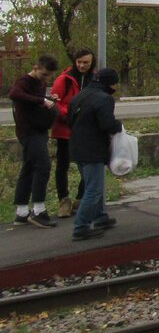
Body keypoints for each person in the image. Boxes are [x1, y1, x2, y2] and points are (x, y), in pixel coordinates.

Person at [68, 67, 123, 241]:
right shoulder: (104, 98)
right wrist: (118, 125)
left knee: (92, 184)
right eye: (114, 83)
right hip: (93, 149)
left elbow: (70, 119)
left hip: (77, 146)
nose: (115, 86)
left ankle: (100, 218)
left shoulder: (80, 95)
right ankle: (81, 226)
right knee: (94, 189)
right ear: (109, 83)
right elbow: (107, 124)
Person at [8, 54, 60, 228]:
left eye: (49, 76)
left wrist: (49, 100)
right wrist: (42, 100)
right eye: (44, 74)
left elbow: (35, 103)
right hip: (28, 132)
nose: (47, 78)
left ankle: (22, 212)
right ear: (36, 67)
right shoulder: (24, 81)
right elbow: (15, 94)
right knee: (43, 166)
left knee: (29, 168)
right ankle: (38, 209)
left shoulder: (40, 83)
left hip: (38, 130)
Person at [50, 48, 96, 217]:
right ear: (75, 62)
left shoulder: (94, 79)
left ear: (92, 63)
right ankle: (64, 200)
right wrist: (69, 116)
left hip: (85, 130)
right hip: (65, 129)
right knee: (63, 165)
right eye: (79, 62)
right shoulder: (65, 79)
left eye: (86, 63)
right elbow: (55, 101)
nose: (82, 66)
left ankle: (81, 198)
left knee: (87, 164)